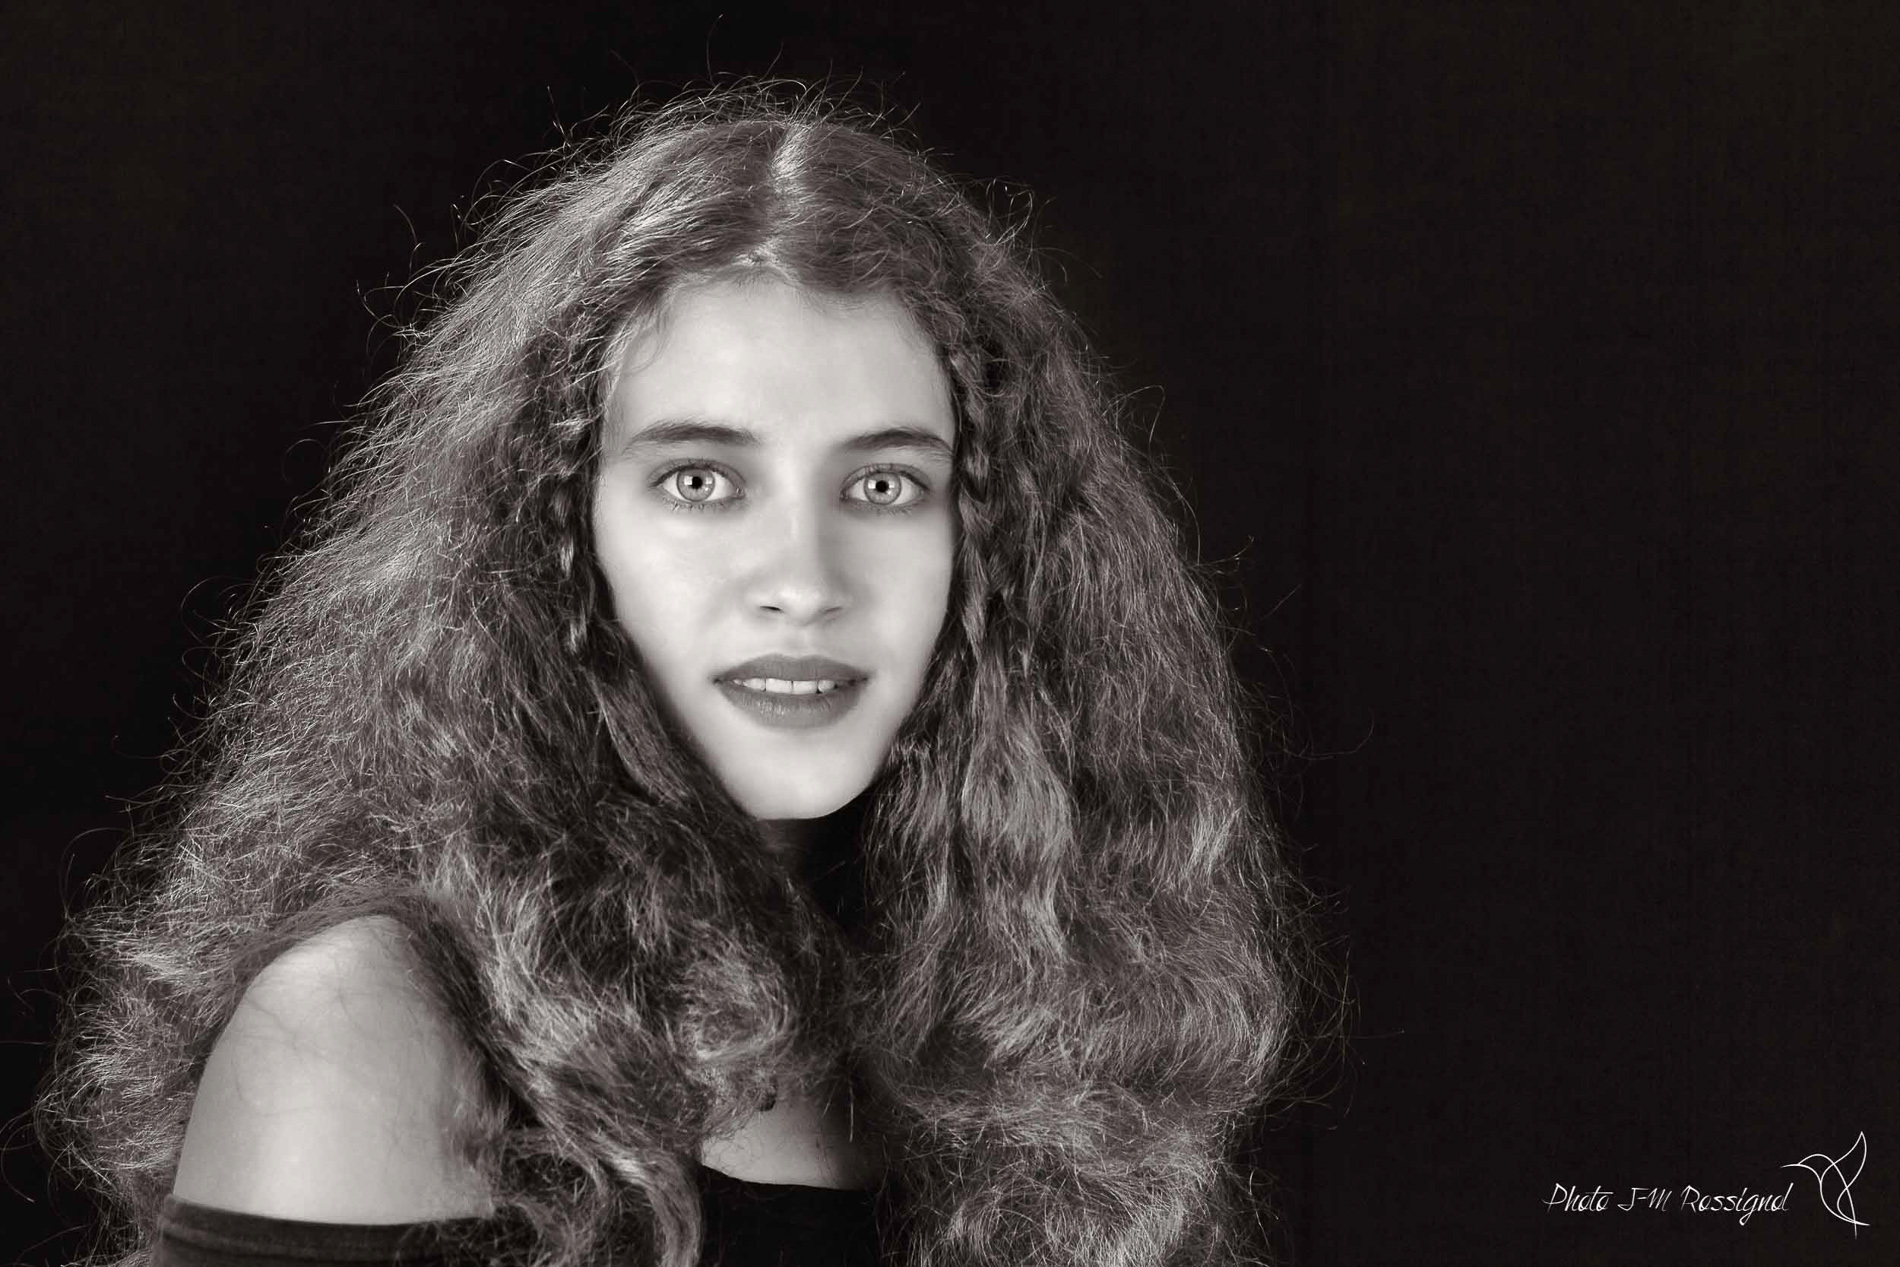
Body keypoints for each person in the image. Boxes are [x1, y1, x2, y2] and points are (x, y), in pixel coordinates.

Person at [41, 86, 1327, 1267]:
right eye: (701, 480)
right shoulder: (365, 1036)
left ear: (989, 547)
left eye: (884, 485)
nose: (803, 579)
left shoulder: (1035, 1026)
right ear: (556, 537)